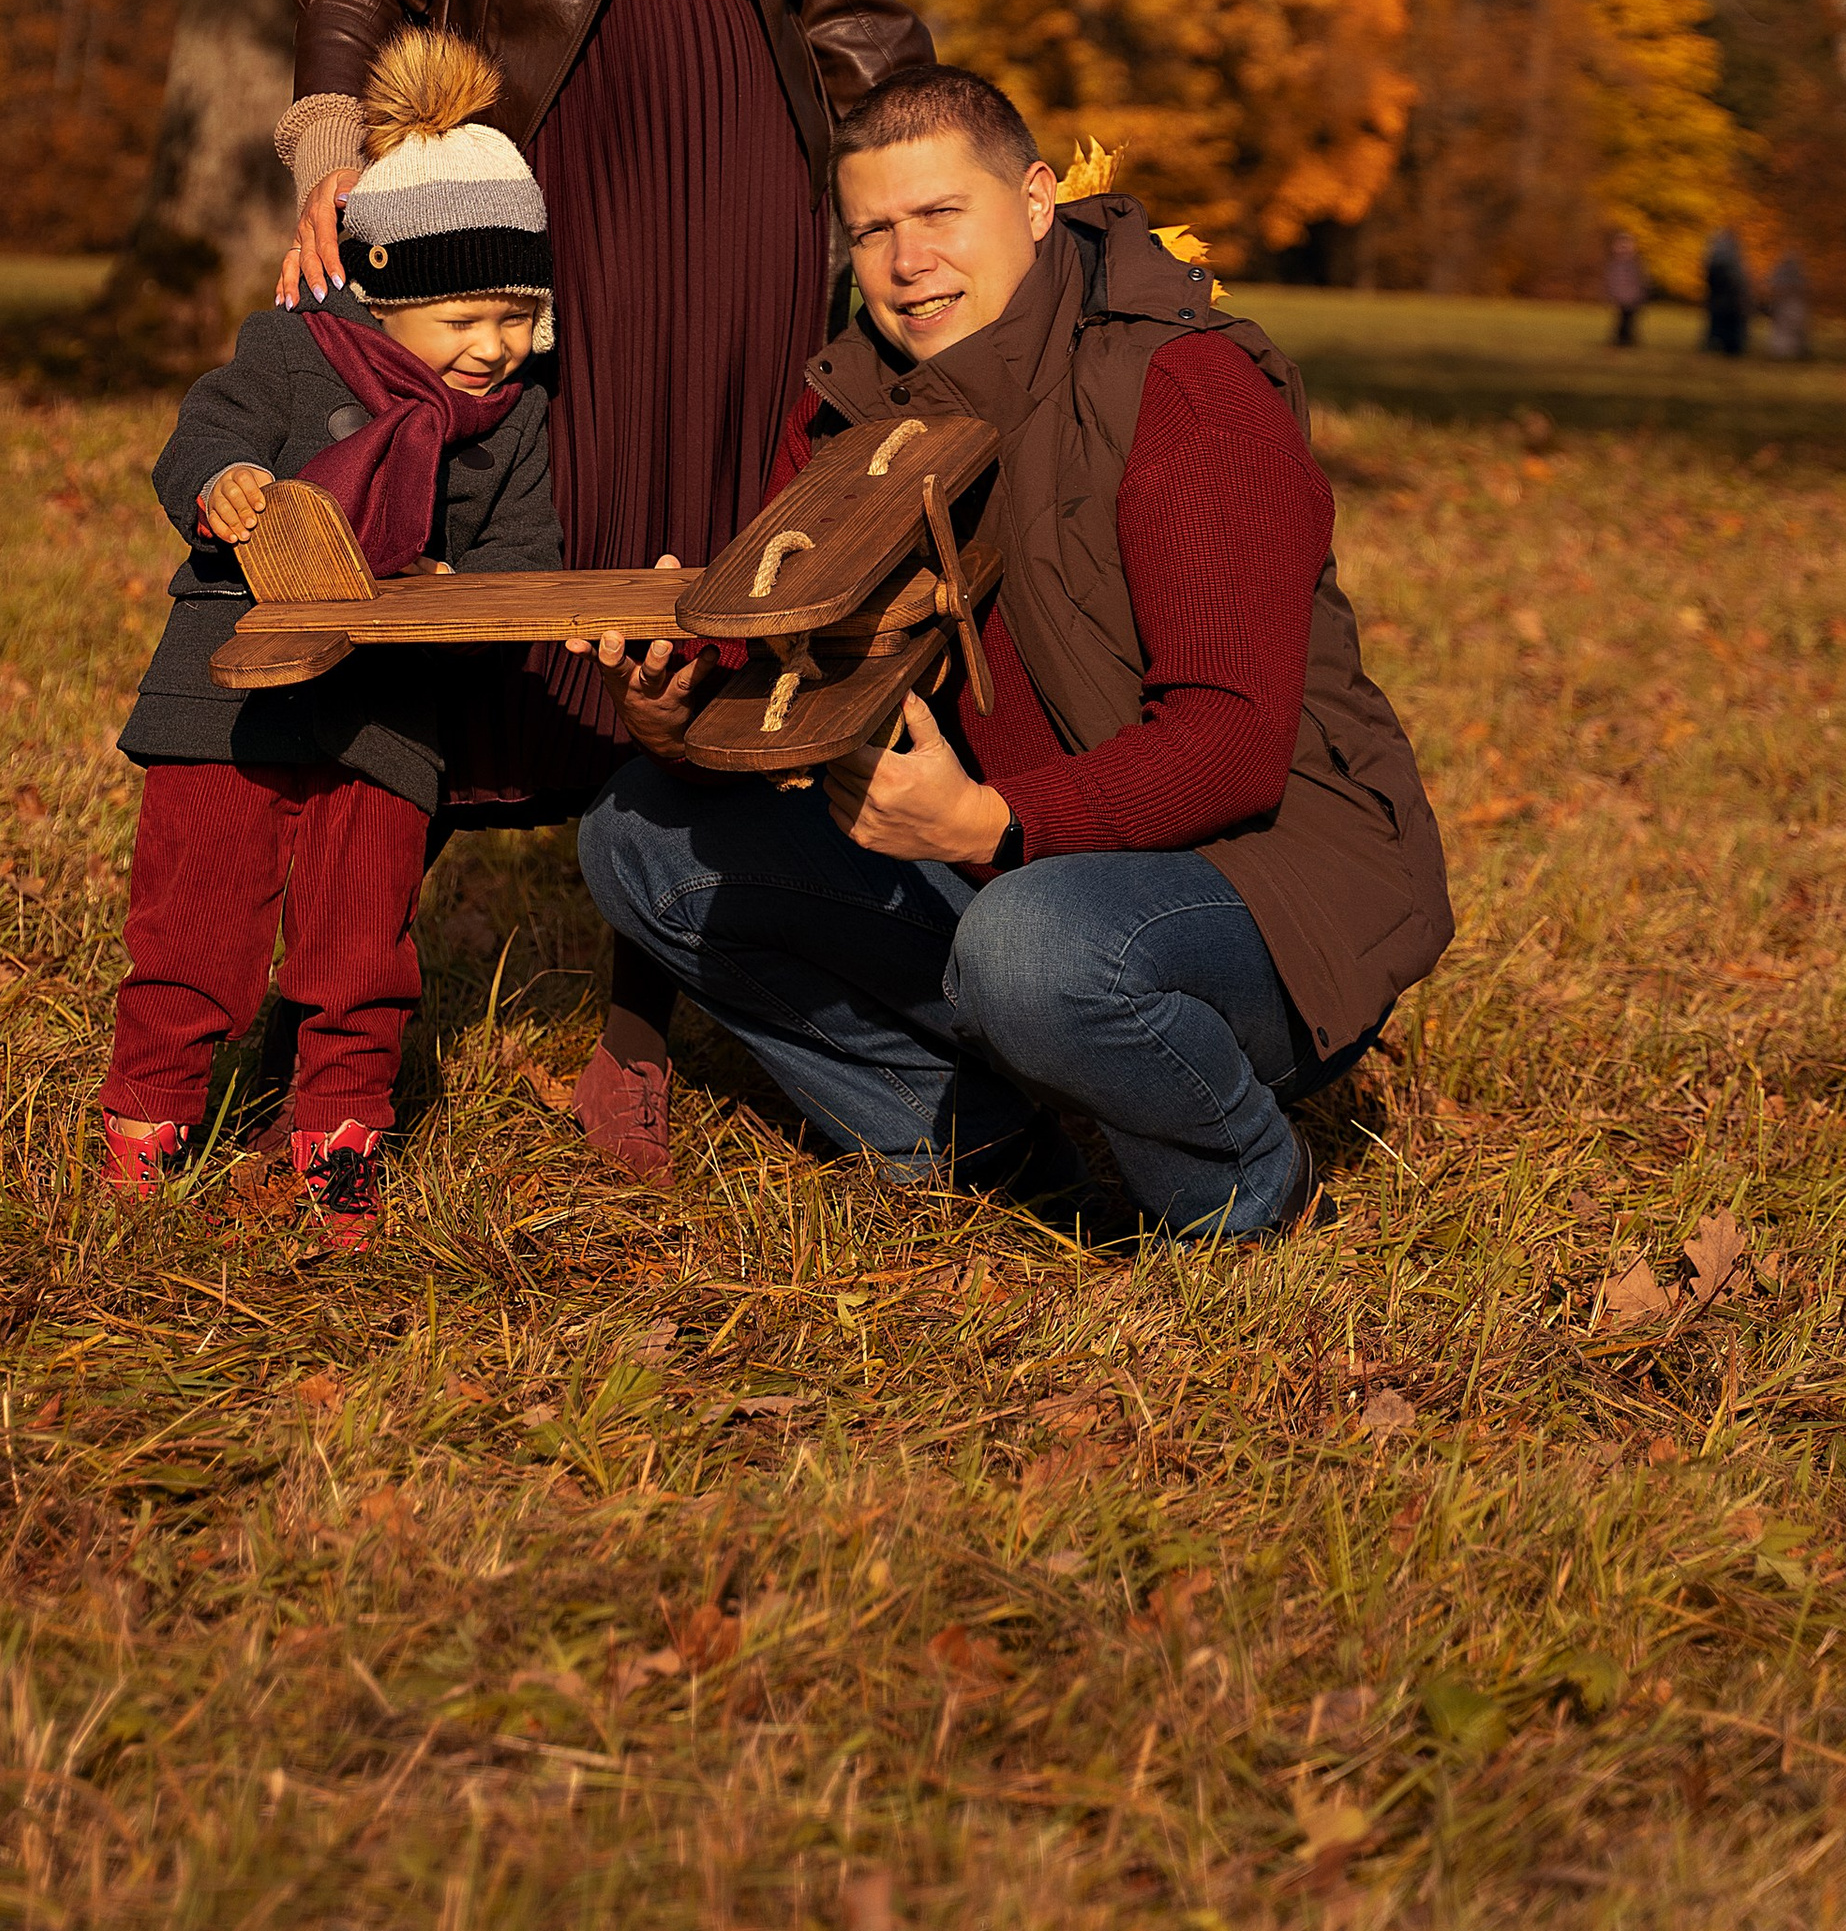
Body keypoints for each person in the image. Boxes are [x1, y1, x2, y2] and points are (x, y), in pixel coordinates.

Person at [271, 0, 932, 1180]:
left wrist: (928, 181)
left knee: (718, 548)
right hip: (538, 146)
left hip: (744, 150)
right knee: (513, 536)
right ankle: (348, 1004)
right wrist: (331, 144)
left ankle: (645, 1017)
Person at [577, 69, 1455, 1243]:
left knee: (1031, 941)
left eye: (940, 213)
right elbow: (798, 690)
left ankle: (1247, 1199)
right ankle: (985, 1158)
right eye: (872, 231)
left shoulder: (1184, 385)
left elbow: (1232, 744)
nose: (907, 262)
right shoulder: (855, 408)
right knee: (640, 838)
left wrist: (989, 825)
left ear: (1036, 201)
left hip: (1263, 886)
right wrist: (677, 714)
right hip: (1013, 858)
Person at [100, 33, 562, 1249]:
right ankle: (147, 1121)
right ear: (387, 295)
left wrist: (461, 601)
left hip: (388, 712)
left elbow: (526, 557)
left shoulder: (516, 419)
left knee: (361, 946)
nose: (494, 346)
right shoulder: (290, 353)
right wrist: (225, 483)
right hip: (228, 692)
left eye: (517, 315)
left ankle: (338, 1141)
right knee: (194, 925)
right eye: (464, 317)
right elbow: (200, 436)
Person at [1703, 226, 1752, 359]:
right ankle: (1729, 346)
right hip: (1727, 298)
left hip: (1722, 298)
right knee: (1726, 323)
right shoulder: (1730, 258)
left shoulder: (1716, 256)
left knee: (1720, 322)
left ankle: (1723, 344)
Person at [1764, 245, 1812, 361]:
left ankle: (1789, 351)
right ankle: (1784, 352)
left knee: (1791, 331)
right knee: (1787, 331)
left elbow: (1774, 286)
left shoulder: (1786, 273)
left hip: (1789, 306)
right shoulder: (1794, 274)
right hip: (1788, 307)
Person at [1603, 230, 1648, 349]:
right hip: (1622, 296)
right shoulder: (1615, 264)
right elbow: (1612, 280)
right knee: (1622, 319)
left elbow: (1641, 280)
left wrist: (1640, 293)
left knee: (1629, 319)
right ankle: (1622, 339)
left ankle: (1627, 339)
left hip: (1632, 296)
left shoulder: (1635, 264)